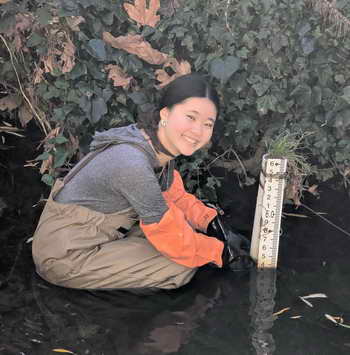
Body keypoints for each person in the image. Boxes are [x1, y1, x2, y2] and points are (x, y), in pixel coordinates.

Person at [32, 73, 251, 291]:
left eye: (207, 123)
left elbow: (172, 195)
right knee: (179, 265)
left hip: (103, 233)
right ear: (165, 114)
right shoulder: (132, 163)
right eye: (190, 117)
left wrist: (211, 223)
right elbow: (172, 238)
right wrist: (220, 252)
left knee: (190, 238)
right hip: (65, 255)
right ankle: (115, 310)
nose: (197, 131)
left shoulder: (156, 146)